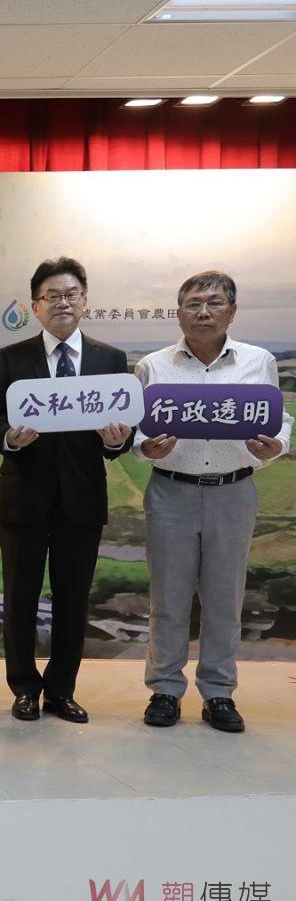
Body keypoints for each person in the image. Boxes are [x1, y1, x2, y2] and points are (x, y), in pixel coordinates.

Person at [133, 270, 289, 733]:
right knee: (168, 598)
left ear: (232, 311)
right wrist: (145, 448)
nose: (203, 312)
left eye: (214, 303)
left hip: (233, 492)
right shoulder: (153, 366)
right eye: (194, 304)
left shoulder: (258, 361)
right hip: (170, 492)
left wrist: (276, 446)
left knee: (225, 598)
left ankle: (219, 693)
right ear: (178, 313)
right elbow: (137, 429)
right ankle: (164, 689)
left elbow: (278, 419)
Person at [0, 257, 133, 724]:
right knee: (19, 599)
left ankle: (61, 690)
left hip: (82, 499)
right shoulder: (12, 357)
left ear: (84, 301)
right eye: (51, 296)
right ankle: (24, 688)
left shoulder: (110, 360)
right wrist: (9, 438)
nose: (62, 303)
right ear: (35, 306)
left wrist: (117, 442)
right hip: (23, 496)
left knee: (73, 600)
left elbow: (120, 432)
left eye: (70, 294)